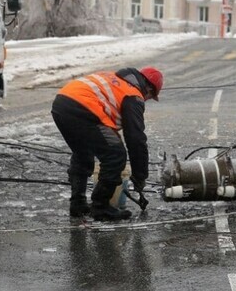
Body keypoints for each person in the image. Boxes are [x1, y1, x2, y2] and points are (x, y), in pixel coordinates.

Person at [50, 66, 163, 221]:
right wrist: (140, 175)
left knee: (83, 152)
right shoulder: (133, 95)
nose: (146, 99)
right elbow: (136, 138)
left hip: (61, 104)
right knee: (115, 155)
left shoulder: (115, 80)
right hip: (83, 108)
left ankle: (78, 204)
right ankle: (101, 207)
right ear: (148, 88)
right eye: (150, 96)